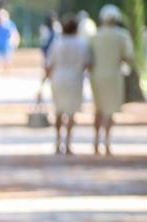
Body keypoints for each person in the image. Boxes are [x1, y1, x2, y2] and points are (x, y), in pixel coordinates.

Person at [88, 4, 135, 155]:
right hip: (114, 75)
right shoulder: (122, 35)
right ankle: (106, 142)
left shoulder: (95, 36)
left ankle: (96, 141)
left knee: (99, 108)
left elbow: (89, 57)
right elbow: (128, 56)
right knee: (110, 110)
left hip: (97, 75)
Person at [45, 16, 90, 155]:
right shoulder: (81, 43)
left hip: (58, 79)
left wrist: (45, 79)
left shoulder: (57, 43)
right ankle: (68, 143)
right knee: (71, 113)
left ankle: (58, 142)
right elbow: (87, 64)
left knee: (58, 111)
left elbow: (49, 64)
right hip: (75, 80)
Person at [0, 9, 21, 78]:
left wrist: (16, 42)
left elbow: (15, 33)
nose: (1, 16)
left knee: (8, 60)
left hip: (8, 45)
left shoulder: (10, 24)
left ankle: (7, 73)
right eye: (0, 15)